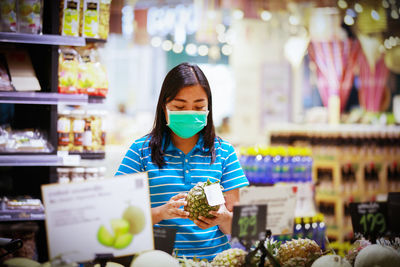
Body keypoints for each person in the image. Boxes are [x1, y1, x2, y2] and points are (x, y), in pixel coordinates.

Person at [115, 62, 249, 260]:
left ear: (209, 108)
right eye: (179, 106)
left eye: (198, 106)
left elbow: (240, 225)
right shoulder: (141, 151)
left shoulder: (224, 152)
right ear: (164, 106)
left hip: (215, 261)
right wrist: (161, 212)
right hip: (157, 262)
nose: (189, 112)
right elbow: (119, 214)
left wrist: (223, 218)